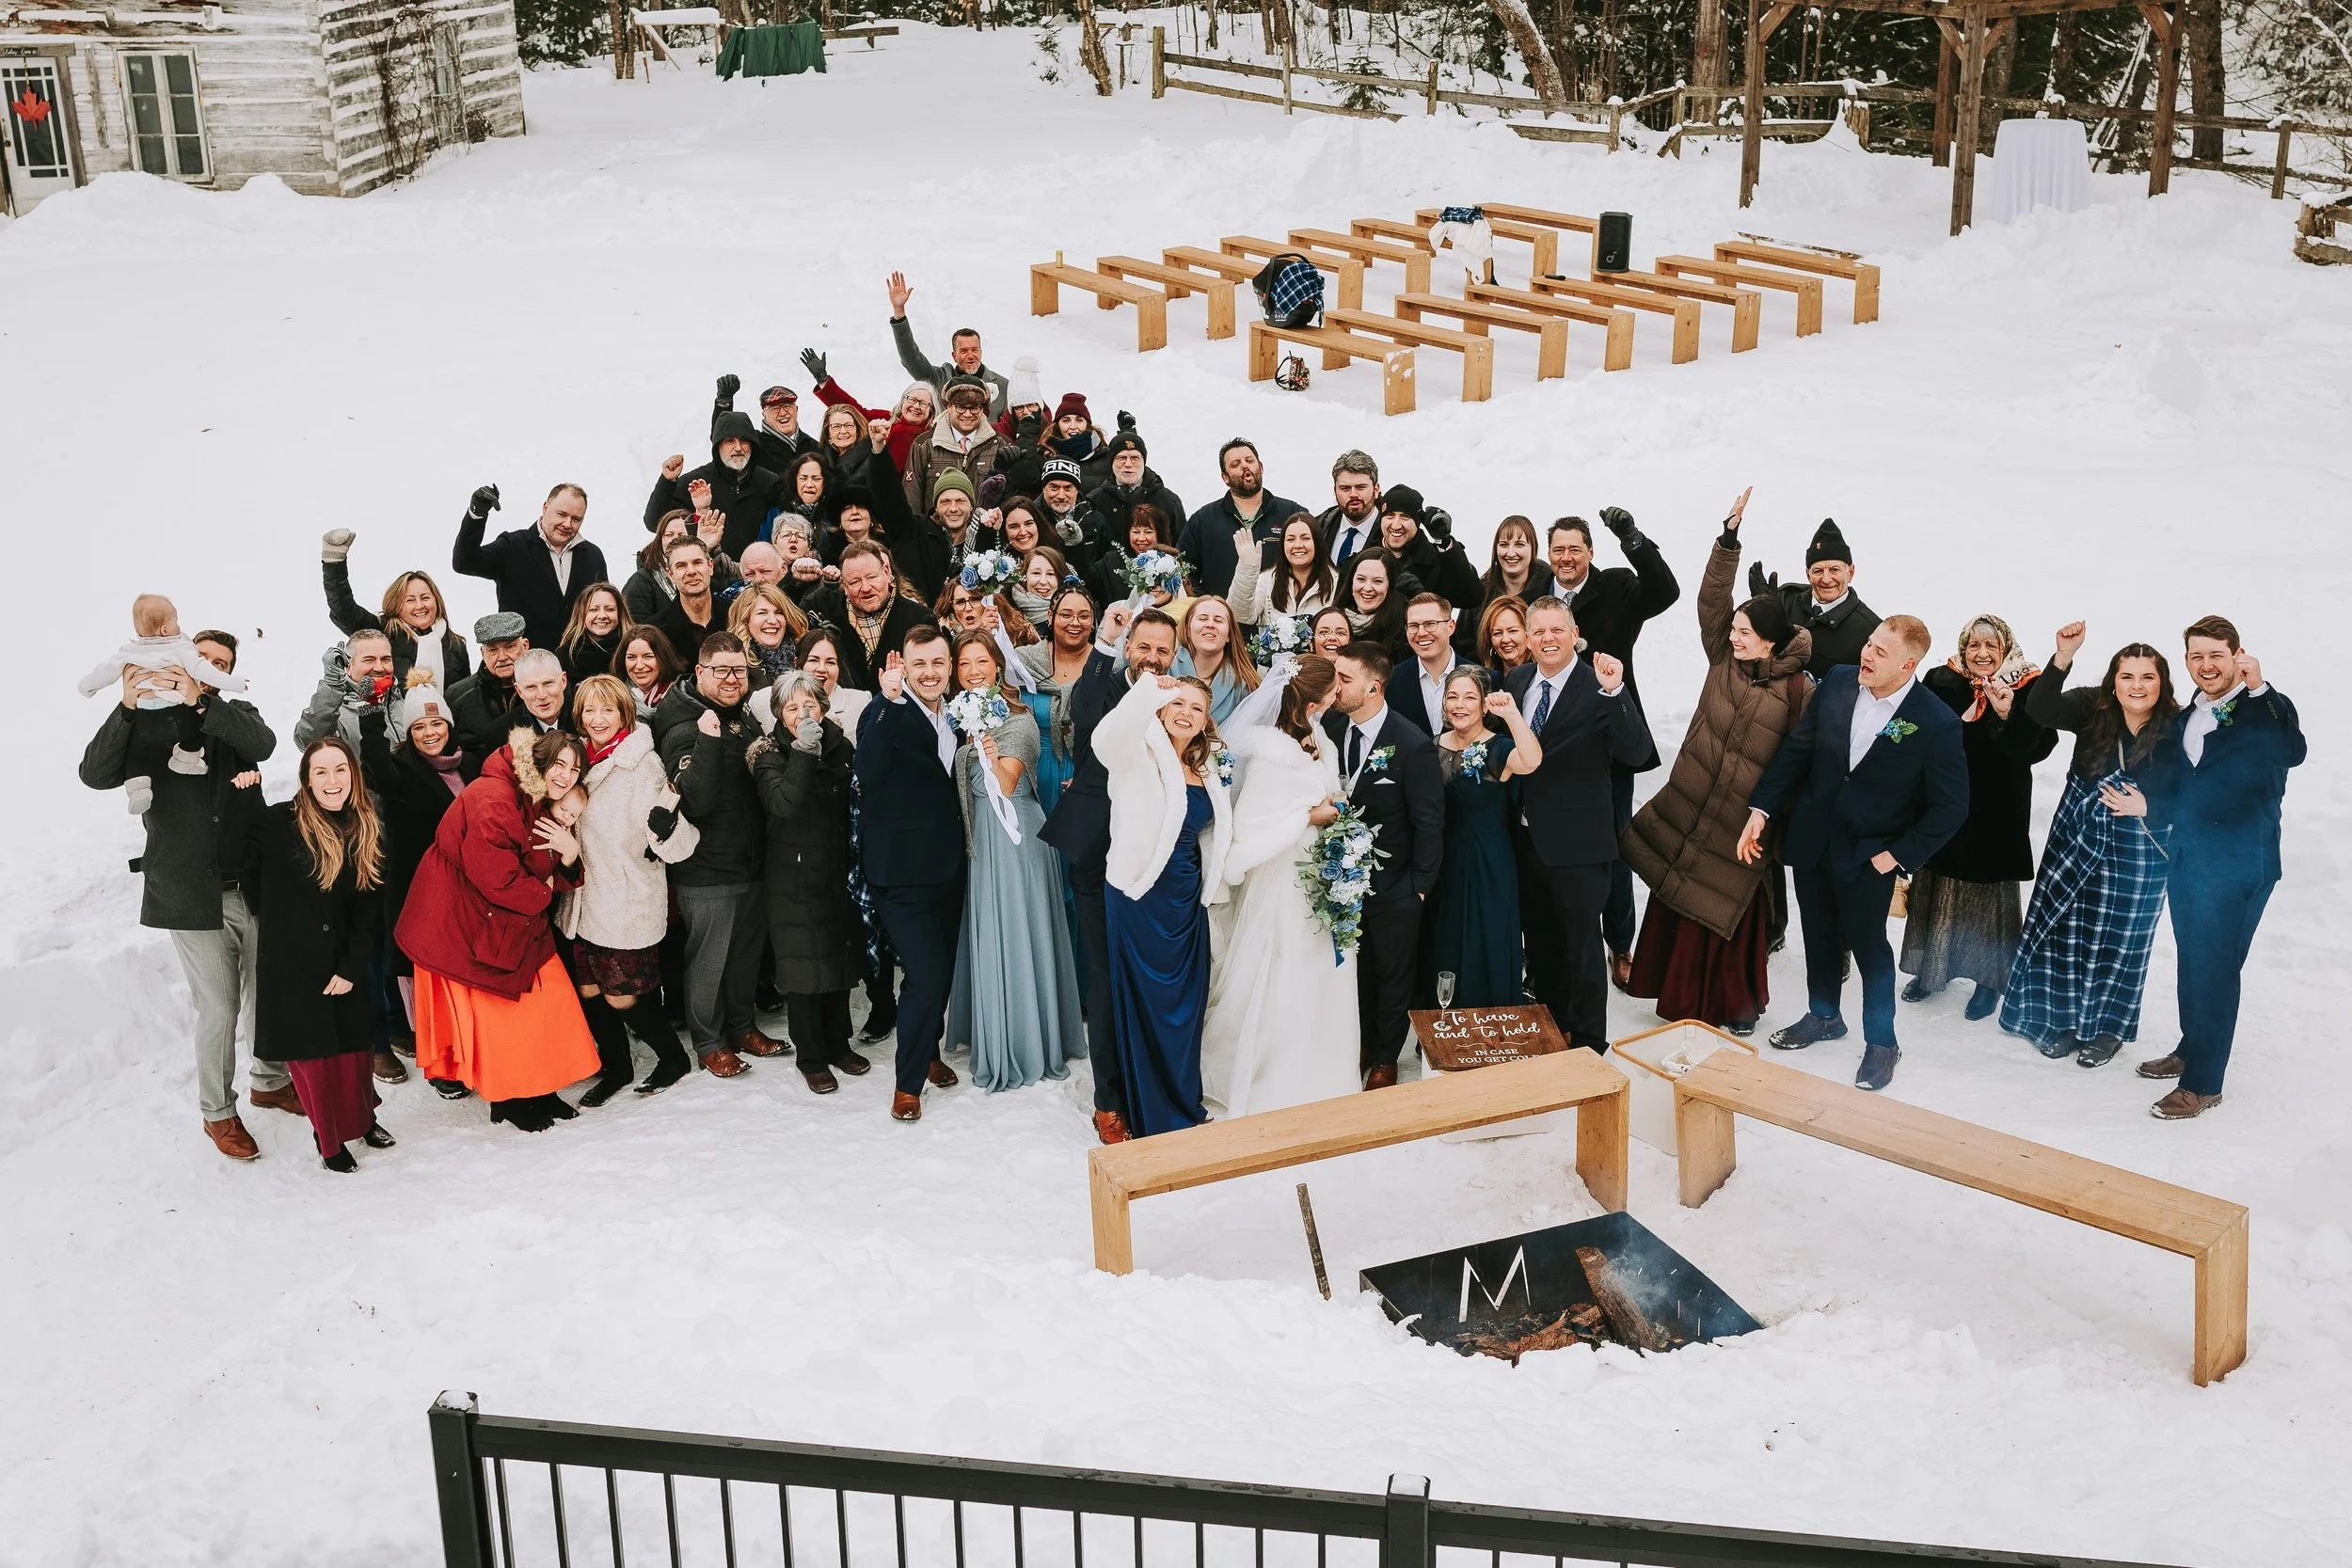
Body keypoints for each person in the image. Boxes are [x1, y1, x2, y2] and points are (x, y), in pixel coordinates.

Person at [79, 641, 294, 1161]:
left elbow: (262, 745)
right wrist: (127, 705)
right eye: (202, 660)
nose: (211, 669)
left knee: (266, 992)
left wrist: (203, 699)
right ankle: (218, 1114)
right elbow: (95, 774)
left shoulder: (234, 712)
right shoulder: (148, 725)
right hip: (191, 894)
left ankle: (269, 1080)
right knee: (219, 1008)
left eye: (222, 665)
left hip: (255, 885)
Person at [1740, 616, 1968, 1091]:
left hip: (1870, 856)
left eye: (1881, 652)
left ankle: (1882, 1042)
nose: (1866, 654)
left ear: (1908, 664)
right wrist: (1762, 809)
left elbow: (1951, 807)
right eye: (1869, 643)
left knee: (1869, 948)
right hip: (1813, 839)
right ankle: (1824, 1016)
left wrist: (1899, 856)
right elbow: (1798, 751)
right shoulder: (1841, 682)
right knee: (1818, 933)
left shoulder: (1935, 722)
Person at [1619, 505, 1812, 1035]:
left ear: (1770, 639)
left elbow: (1799, 761)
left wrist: (1769, 812)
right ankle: (1675, 992)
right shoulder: (1722, 659)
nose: (1735, 636)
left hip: (1742, 822)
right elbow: (1711, 601)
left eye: (1746, 631)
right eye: (1736, 629)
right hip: (1692, 803)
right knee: (1677, 894)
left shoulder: (1798, 691)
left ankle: (1735, 1004)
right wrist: (1728, 541)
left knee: (1731, 913)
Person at [397, 727, 602, 1132]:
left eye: (574, 769)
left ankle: (539, 1088)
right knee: (501, 1019)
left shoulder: (535, 794)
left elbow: (538, 866)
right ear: (539, 757)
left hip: (502, 916)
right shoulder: (495, 798)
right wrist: (545, 892)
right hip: (462, 922)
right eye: (559, 763)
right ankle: (510, 1098)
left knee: (546, 1001)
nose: (565, 775)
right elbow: (500, 879)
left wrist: (569, 859)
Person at [2141, 616, 2302, 1119]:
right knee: (2193, 963)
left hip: (2238, 864)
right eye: (2196, 656)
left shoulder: (2263, 711)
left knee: (2215, 970)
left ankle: (2203, 1083)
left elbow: (2291, 752)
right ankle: (2193, 1046)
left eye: (2216, 655)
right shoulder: (2191, 712)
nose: (2206, 665)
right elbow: (2182, 785)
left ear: (2238, 656)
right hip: (2187, 860)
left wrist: (2261, 691)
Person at [2001, 626, 2182, 1069]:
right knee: (2068, 928)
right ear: (2113, 681)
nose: (2137, 686)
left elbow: (2200, 789)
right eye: (2127, 677)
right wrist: (2062, 656)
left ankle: (2108, 1030)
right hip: (2077, 828)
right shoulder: (2090, 706)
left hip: (2141, 844)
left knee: (2123, 939)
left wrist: (2150, 806)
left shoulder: (2179, 725)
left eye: (2147, 677)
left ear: (2163, 683)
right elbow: (2041, 709)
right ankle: (2063, 1021)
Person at [1041, 604, 1181, 1143]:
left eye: (1162, 650)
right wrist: (1102, 644)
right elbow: (1090, 714)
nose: (1151, 658)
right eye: (1143, 647)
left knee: (1143, 975)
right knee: (1105, 979)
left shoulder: (1175, 699)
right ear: (1127, 647)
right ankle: (1109, 1100)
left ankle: (1153, 1087)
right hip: (1098, 852)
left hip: (1151, 856)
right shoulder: (1099, 685)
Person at [1200, 654, 1359, 1116]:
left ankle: (1321, 1068)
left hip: (1320, 871)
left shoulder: (1319, 738)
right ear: (1312, 703)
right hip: (1286, 879)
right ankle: (1276, 1072)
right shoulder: (1272, 757)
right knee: (1287, 968)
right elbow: (1251, 826)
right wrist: (1310, 816)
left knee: (1322, 969)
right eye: (1334, 688)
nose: (1339, 694)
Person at [231, 736, 389, 1173]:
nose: (332, 780)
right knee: (315, 1065)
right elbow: (235, 857)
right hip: (294, 964)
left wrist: (353, 965)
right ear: (306, 780)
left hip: (342, 958)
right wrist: (242, 797)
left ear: (352, 775)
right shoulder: (276, 822)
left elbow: (367, 905)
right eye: (320, 771)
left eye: (340, 769)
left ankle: (364, 1120)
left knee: (354, 1055)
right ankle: (330, 1139)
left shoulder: (364, 825)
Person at [1507, 598, 1653, 1052]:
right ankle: (1555, 1030)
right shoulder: (1517, 680)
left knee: (1583, 952)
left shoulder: (1599, 684)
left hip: (1580, 846)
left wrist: (1616, 693)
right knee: (1544, 948)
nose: (1548, 639)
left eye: (1557, 630)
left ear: (1575, 635)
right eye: (1539, 631)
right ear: (1528, 640)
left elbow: (1637, 753)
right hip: (1527, 840)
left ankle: (1589, 1045)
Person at [943, 634, 1086, 1092]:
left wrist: (986, 748)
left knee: (1017, 932)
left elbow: (1005, 786)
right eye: (964, 663)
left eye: (981, 660)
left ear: (998, 665)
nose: (973, 670)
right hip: (981, 839)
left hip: (1015, 836)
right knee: (992, 930)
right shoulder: (956, 717)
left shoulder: (1020, 719)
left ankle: (1024, 1041)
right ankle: (993, 1026)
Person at [1547, 509, 1680, 990]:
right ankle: (1554, 941)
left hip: (1608, 738)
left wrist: (1634, 539)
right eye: (1558, 549)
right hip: (1550, 739)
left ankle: (1620, 944)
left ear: (1590, 552)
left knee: (1613, 843)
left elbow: (1666, 592)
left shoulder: (1618, 588)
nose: (1565, 558)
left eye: (1574, 549)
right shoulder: (1539, 595)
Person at [1096, 672, 1233, 1134]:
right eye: (1178, 703)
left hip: (1186, 901)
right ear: (1160, 707)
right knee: (1146, 1004)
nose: (1186, 713)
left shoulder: (1208, 767)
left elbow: (1216, 835)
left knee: (1185, 1007)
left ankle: (1182, 1098)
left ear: (1206, 721)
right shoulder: (1136, 750)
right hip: (1140, 895)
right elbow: (1106, 740)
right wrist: (1146, 692)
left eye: (1197, 708)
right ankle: (1148, 1111)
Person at [1899, 614, 2056, 1021]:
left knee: (1990, 899)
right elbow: (1913, 728)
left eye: (1991, 647)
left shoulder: (2028, 686)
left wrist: (2007, 715)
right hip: (1945, 801)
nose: (1982, 654)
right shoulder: (1941, 680)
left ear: (2005, 649)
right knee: (1939, 886)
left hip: (1998, 809)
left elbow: (2039, 748)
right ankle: (1932, 972)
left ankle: (1989, 982)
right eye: (1974, 646)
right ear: (1963, 647)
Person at [558, 675, 698, 1103]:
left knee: (622, 998)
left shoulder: (642, 765)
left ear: (624, 713)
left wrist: (666, 829)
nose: (598, 719)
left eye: (608, 710)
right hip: (583, 900)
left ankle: (673, 1058)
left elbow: (678, 842)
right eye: (589, 710)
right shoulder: (576, 758)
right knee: (588, 990)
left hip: (625, 899)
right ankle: (617, 1067)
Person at [653, 631, 782, 1078]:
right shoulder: (683, 726)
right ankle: (708, 1042)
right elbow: (696, 800)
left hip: (749, 859)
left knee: (745, 955)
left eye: (740, 670)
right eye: (722, 670)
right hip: (706, 867)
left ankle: (743, 1026)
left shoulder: (738, 714)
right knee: (709, 960)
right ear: (700, 672)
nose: (732, 679)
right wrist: (707, 743)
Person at [854, 626, 969, 1121]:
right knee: (924, 972)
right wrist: (887, 700)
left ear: (950, 667)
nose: (930, 673)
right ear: (903, 665)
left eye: (939, 663)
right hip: (900, 873)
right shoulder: (886, 711)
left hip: (949, 866)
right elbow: (868, 768)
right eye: (920, 663)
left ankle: (929, 1051)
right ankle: (908, 1084)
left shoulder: (960, 716)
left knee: (939, 968)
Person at [1323, 644, 1445, 1087]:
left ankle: (1386, 1057)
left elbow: (1430, 823)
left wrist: (1419, 886)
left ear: (1373, 687)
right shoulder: (1331, 729)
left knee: (1393, 974)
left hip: (1395, 886)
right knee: (1355, 970)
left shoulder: (1412, 744)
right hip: (1340, 882)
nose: (1335, 686)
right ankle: (1361, 1041)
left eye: (1344, 678)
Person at [754, 672, 871, 1094]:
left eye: (811, 706)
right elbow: (783, 804)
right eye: (792, 708)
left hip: (837, 870)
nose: (804, 715)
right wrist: (805, 750)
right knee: (803, 971)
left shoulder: (842, 747)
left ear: (823, 707)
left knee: (837, 964)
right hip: (792, 876)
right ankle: (811, 1056)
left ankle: (839, 1044)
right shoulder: (769, 755)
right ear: (779, 716)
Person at [357, 676, 475, 1082]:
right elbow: (372, 757)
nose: (429, 733)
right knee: (423, 981)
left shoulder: (470, 764)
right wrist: (372, 711)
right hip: (419, 894)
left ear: (449, 724)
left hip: (470, 893)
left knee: (464, 978)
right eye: (419, 727)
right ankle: (440, 1067)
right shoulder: (399, 771)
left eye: (436, 723)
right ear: (408, 733)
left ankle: (470, 1052)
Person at [1426, 667, 1544, 1009]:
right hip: (1445, 862)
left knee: (1487, 938)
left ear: (1482, 705)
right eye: (1452, 697)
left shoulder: (1497, 748)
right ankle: (1446, 1022)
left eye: (1469, 698)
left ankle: (1491, 1024)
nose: (1459, 705)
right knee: (1446, 939)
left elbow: (1531, 760)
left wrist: (1510, 714)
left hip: (1490, 864)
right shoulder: (1431, 747)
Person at [795, 628, 890, 1040]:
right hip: (811, 833)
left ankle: (882, 1003)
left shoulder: (860, 702)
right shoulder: (781, 702)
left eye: (830, 661)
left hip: (855, 823)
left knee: (867, 917)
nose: (822, 669)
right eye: (814, 660)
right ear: (800, 665)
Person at [453, 482, 606, 656]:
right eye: (561, 514)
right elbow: (464, 563)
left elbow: (603, 609)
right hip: (525, 669)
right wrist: (477, 513)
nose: (567, 524)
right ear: (545, 507)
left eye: (576, 519)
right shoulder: (512, 547)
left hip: (578, 667)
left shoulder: (593, 556)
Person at [319, 533, 471, 686]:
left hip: (443, 711)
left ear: (437, 601)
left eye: (425, 598)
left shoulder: (456, 644)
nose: (420, 606)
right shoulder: (381, 632)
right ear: (397, 605)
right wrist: (334, 562)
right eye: (410, 600)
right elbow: (344, 609)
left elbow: (464, 696)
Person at [1750, 519, 1881, 679]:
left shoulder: (1872, 631)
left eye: (1834, 570)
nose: (1826, 579)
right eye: (1818, 571)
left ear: (1850, 573)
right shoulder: (1784, 598)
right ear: (1808, 574)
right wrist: (1762, 610)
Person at [644, 414, 785, 561]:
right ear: (718, 445)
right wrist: (667, 481)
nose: (738, 448)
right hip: (708, 574)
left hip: (759, 573)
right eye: (730, 441)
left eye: (744, 440)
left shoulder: (770, 482)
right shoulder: (695, 483)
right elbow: (654, 523)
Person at [802, 542, 936, 693]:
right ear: (844, 586)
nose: (865, 588)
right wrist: (794, 581)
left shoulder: (920, 617)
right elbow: (784, 616)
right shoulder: (824, 606)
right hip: (841, 713)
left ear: (886, 572)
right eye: (855, 582)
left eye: (871, 577)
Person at [1180, 437, 1306, 597]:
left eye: (1249, 460)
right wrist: (1205, 605)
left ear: (1260, 467)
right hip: (1222, 618)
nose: (1245, 466)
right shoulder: (1203, 520)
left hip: (1279, 616)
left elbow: (1314, 564)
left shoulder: (1292, 514)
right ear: (1225, 477)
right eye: (1235, 464)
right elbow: (1184, 571)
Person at [1011, 582, 1096, 817]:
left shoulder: (1106, 666)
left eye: (1084, 616)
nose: (1075, 623)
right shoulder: (1024, 662)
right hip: (1032, 774)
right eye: (1066, 615)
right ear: (1051, 616)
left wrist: (1093, 774)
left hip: (1088, 774)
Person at [885, 270, 1010, 412]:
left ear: (981, 352)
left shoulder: (1003, 386)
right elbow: (911, 358)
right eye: (963, 351)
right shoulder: (939, 379)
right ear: (954, 355)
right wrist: (899, 312)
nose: (970, 356)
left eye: (974, 350)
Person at [1376, 487, 1483, 627]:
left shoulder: (1436, 559)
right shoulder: (1365, 557)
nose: (1396, 525)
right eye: (1390, 516)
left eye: (1405, 517)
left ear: (1417, 522)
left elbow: (1472, 597)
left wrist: (1443, 540)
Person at [903, 378, 1001, 529]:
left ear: (982, 409)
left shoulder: (999, 444)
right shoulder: (924, 444)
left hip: (984, 540)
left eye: (974, 408)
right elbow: (911, 499)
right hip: (936, 539)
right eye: (961, 407)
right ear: (949, 406)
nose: (968, 414)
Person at [1084, 427, 1185, 565]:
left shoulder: (1168, 501)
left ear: (1144, 461)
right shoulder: (1095, 500)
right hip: (1108, 581)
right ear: (1111, 462)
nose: (1128, 464)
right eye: (1121, 458)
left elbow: (1181, 548)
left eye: (1135, 458)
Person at [1228, 513, 1335, 630]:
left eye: (1305, 538)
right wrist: (1247, 568)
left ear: (1317, 543)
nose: (1298, 545)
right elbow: (1241, 615)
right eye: (1290, 539)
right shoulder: (1267, 579)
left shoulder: (1335, 582)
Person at [294, 628, 396, 751]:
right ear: (349, 667)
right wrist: (332, 684)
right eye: (369, 660)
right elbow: (309, 742)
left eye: (386, 659)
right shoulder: (334, 714)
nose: (379, 668)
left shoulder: (409, 702)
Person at [448, 613, 530, 763]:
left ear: (525, 646)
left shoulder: (545, 689)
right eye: (493, 650)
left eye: (510, 646)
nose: (502, 657)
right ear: (482, 653)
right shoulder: (457, 696)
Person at [1388, 593, 1465, 739]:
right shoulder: (1392, 680)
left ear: (1451, 627)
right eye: (1413, 626)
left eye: (1430, 624)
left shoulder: (1484, 678)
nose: (1421, 633)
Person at [1173, 595, 1261, 724]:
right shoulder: (1166, 665)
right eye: (1202, 619)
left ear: (1229, 635)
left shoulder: (1245, 685)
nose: (1210, 625)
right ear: (1187, 628)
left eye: (1218, 621)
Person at [710, 376, 819, 474]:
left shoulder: (815, 447)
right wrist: (724, 402)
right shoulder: (754, 444)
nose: (782, 413)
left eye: (787, 406)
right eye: (775, 409)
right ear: (764, 415)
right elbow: (721, 437)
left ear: (796, 410)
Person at [652, 535, 725, 665]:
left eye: (697, 562)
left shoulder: (736, 615)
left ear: (710, 567)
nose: (691, 571)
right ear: (670, 575)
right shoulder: (656, 631)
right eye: (681, 566)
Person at [727, 581, 807, 691]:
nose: (772, 620)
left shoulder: (806, 656)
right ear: (745, 620)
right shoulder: (734, 665)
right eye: (762, 613)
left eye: (779, 612)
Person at [1338, 548, 1411, 663]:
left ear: (1390, 586)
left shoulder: (1403, 632)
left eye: (1377, 581)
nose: (1367, 588)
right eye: (1361, 579)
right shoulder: (1334, 620)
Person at [1317, 451, 1385, 568]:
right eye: (1345, 488)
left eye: (1360, 487)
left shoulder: (1391, 534)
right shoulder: (1318, 528)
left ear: (1376, 489)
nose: (1353, 494)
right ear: (1335, 491)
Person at [557, 583, 631, 687]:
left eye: (609, 609)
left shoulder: (631, 649)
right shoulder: (566, 654)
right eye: (593, 609)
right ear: (582, 614)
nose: (602, 616)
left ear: (619, 614)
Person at [1480, 515, 1554, 610]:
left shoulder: (1550, 588)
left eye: (1519, 545)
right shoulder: (1481, 593)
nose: (1510, 553)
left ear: (1533, 548)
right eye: (1504, 545)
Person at [616, 625, 685, 712]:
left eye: (648, 656)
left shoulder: (681, 696)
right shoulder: (613, 696)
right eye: (631, 657)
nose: (639, 666)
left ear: (663, 658)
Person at [1477, 595, 1530, 680]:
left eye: (1513, 631)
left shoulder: (1542, 676)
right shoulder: (1484, 681)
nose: (1505, 639)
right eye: (1497, 633)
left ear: (1528, 633)